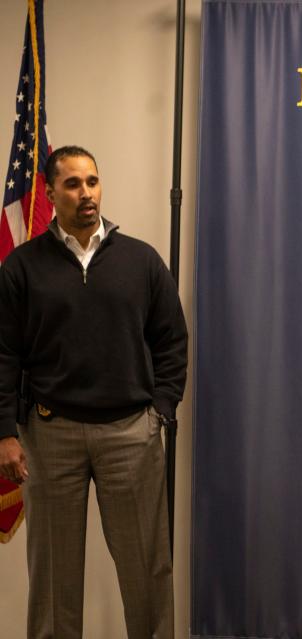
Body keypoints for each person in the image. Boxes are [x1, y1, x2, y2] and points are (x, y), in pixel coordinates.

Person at [0, 146, 187, 639]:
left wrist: (161, 411)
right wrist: (5, 433)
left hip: (131, 435)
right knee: (54, 581)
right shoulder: (21, 267)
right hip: (48, 435)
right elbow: (3, 356)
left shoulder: (141, 261)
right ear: (50, 191)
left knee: (146, 571)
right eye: (73, 184)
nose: (86, 193)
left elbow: (171, 340)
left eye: (93, 182)